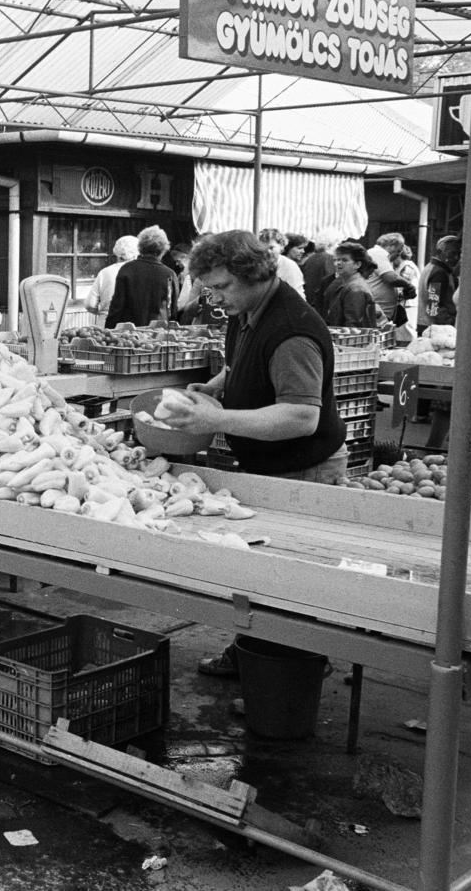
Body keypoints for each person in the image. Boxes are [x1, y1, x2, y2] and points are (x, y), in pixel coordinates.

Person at [160, 230, 347, 679]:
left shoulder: (292, 331)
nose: (215, 298)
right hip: (272, 463)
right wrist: (217, 387)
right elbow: (242, 358)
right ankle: (254, 652)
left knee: (293, 580)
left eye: (222, 287)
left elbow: (301, 416)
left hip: (304, 466)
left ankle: (291, 670)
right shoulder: (247, 310)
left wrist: (217, 421)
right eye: (210, 288)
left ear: (255, 274)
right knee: (263, 572)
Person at [106, 225, 178, 327]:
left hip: (130, 331)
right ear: (163, 249)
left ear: (140, 247)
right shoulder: (169, 274)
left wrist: (108, 330)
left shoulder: (127, 269)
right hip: (158, 332)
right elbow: (172, 310)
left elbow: (117, 307)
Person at [323, 241, 383, 328]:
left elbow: (353, 325)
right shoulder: (349, 284)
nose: (338, 263)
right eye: (335, 260)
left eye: (344, 260)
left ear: (357, 264)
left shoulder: (355, 288)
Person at [375, 233, 421, 337]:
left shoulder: (407, 267)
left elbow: (402, 286)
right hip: (402, 306)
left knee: (406, 333)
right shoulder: (399, 267)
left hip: (407, 307)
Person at [85, 235, 138, 320]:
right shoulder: (140, 272)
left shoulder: (105, 272)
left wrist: (102, 311)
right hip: (132, 325)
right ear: (136, 254)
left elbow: (90, 304)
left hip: (106, 322)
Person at [417, 235, 461, 331]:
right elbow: (433, 306)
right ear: (440, 252)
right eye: (452, 253)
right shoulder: (439, 272)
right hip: (435, 328)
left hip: (429, 326)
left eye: (458, 254)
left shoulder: (432, 267)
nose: (456, 257)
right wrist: (451, 322)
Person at [300, 229, 340, 316]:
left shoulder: (310, 259)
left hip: (309, 304)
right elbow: (331, 283)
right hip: (321, 306)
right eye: (337, 243)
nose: (338, 246)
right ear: (330, 244)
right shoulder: (329, 259)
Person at [257, 228, 305, 298]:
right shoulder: (258, 265)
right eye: (263, 248)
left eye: (271, 248)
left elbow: (298, 296)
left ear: (281, 247)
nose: (267, 252)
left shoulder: (290, 267)